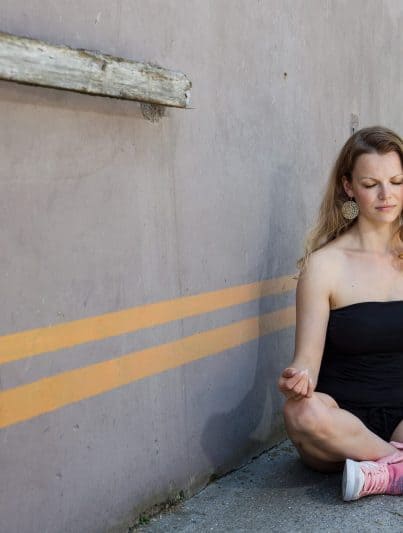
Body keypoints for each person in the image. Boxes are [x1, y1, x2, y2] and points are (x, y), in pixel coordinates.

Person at [278, 125, 403, 501]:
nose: (386, 195)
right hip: (338, 424)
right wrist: (297, 380)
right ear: (348, 187)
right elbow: (306, 364)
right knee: (299, 413)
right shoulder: (323, 265)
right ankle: (395, 466)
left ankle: (383, 472)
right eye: (371, 184)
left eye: (397, 181)